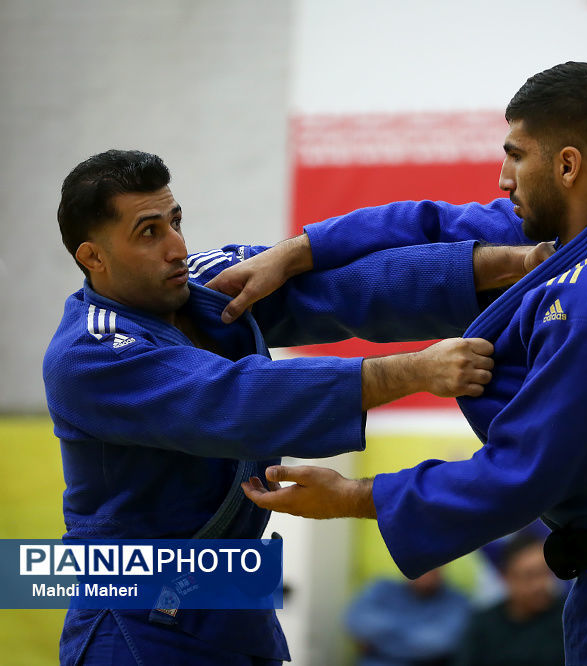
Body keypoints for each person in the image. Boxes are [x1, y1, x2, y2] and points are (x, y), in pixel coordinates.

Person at [240, 62, 587, 665]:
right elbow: (426, 223)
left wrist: (355, 495)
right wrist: (295, 252)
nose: (503, 177)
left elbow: (525, 469)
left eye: (515, 156)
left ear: (567, 166)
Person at [44, 149, 538, 665]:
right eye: (149, 232)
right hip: (135, 621)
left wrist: (510, 265)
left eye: (175, 221)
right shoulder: (88, 353)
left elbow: (349, 288)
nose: (177, 248)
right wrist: (412, 372)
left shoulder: (205, 285)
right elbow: (234, 400)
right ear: (92, 257)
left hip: (236, 613)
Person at [454, 532, 565, 666]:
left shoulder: (567, 616)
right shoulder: (484, 627)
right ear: (506, 576)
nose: (539, 585)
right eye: (529, 576)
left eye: (544, 573)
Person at [345, 568, 470, 666]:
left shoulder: (457, 601)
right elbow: (355, 620)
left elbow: (437, 644)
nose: (425, 571)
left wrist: (380, 641)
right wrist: (416, 629)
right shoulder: (382, 588)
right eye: (418, 563)